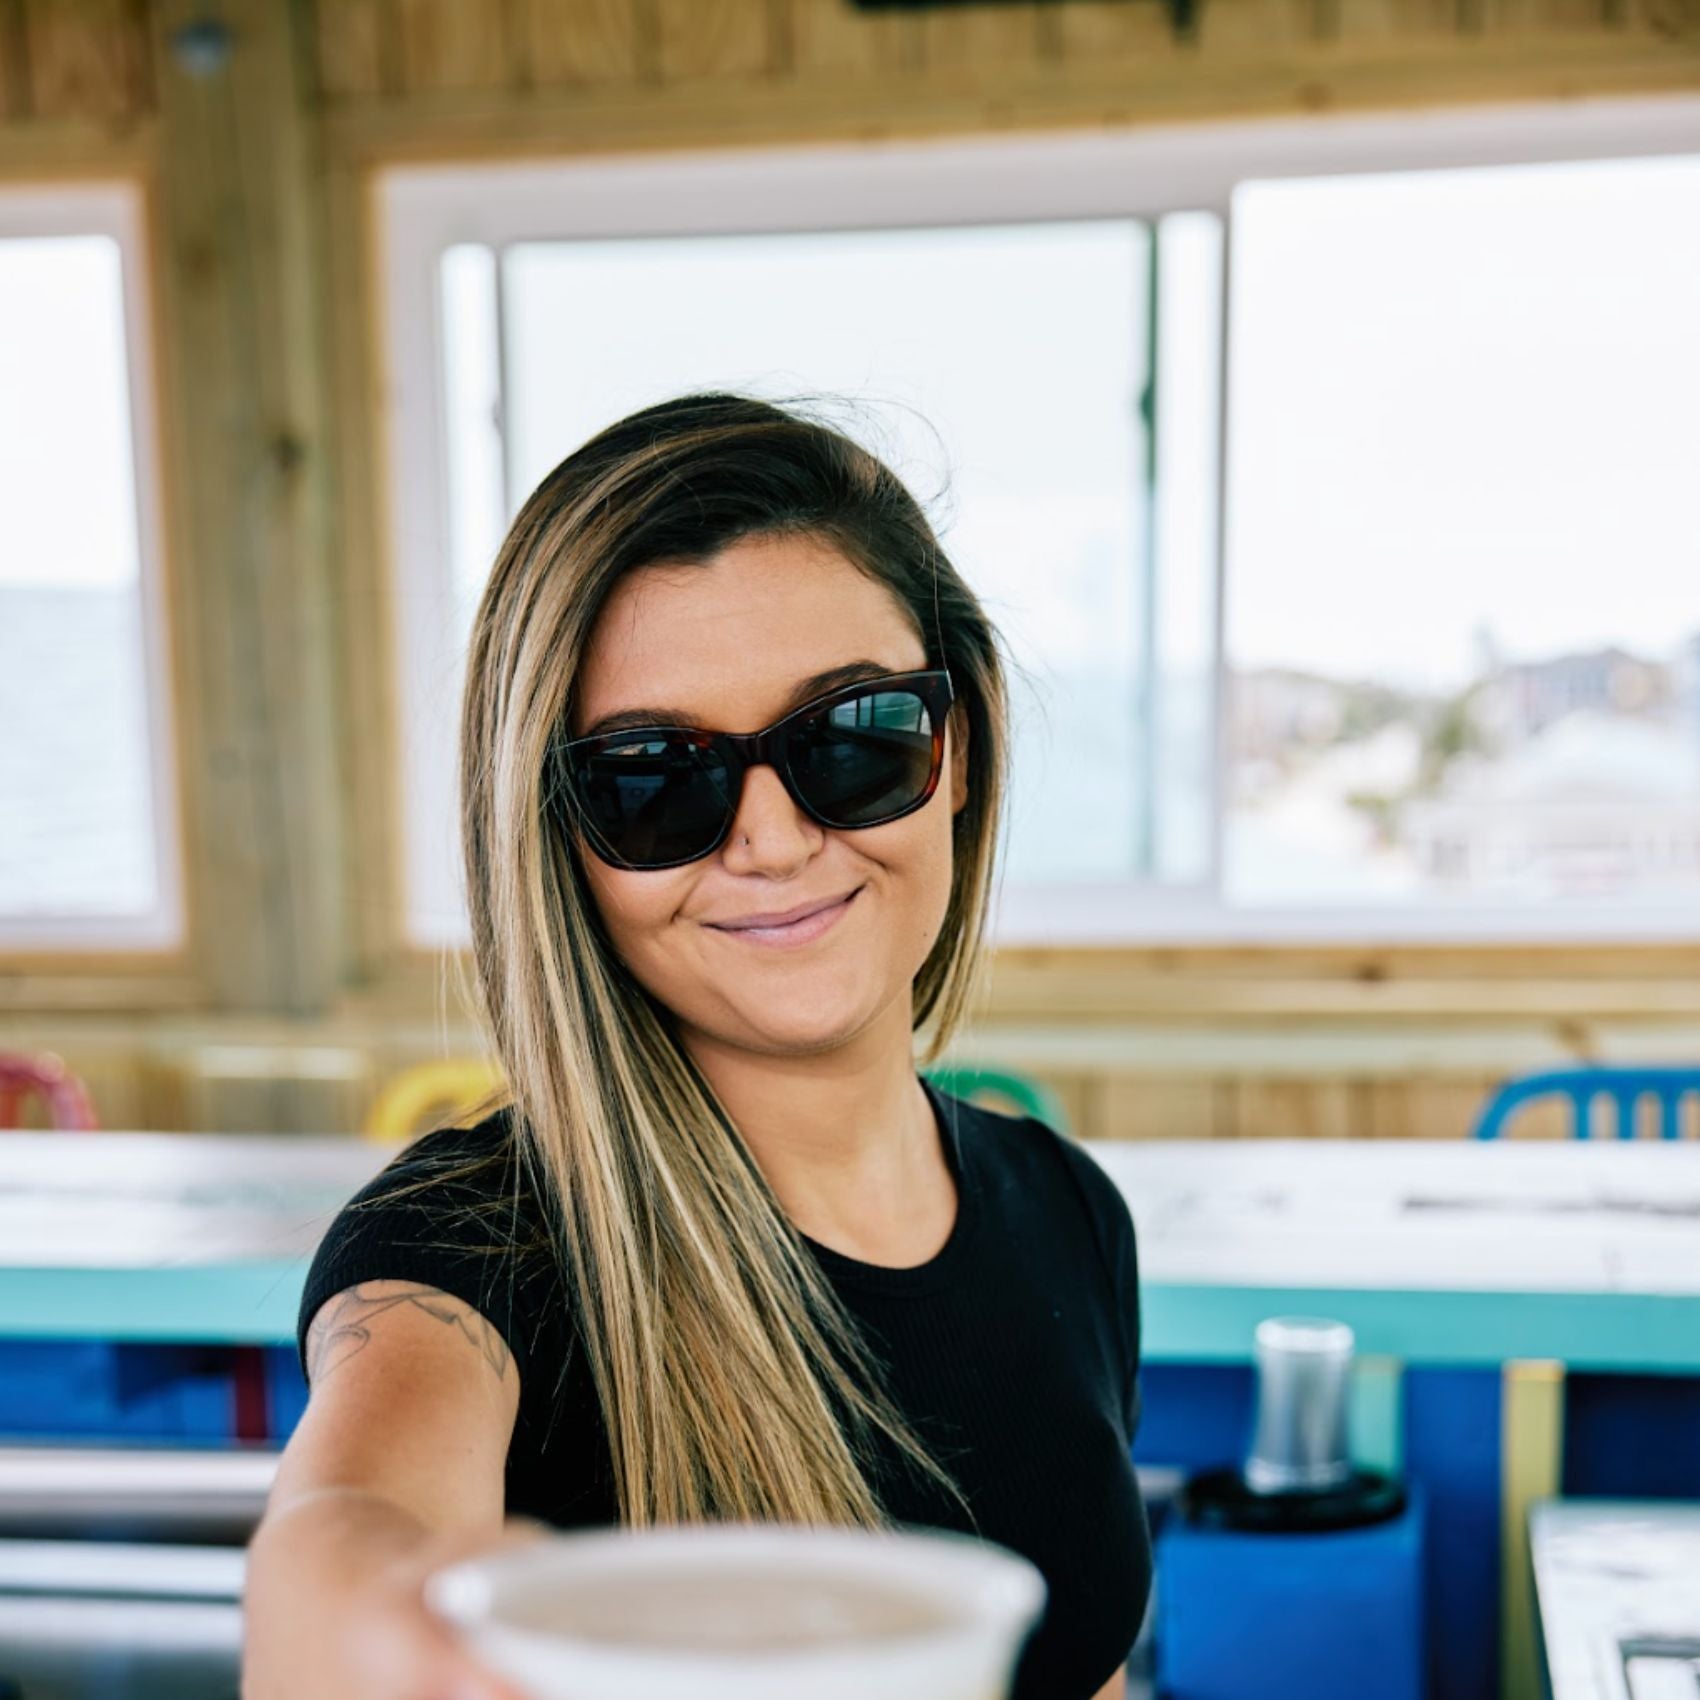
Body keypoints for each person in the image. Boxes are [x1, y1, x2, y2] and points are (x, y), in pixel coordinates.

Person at [242, 393, 1152, 1700]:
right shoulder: (472, 1249)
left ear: (958, 751)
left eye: (856, 735)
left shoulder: (1071, 1213)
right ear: (560, 840)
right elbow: (347, 1524)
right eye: (656, 776)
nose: (773, 841)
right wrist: (373, 1622)